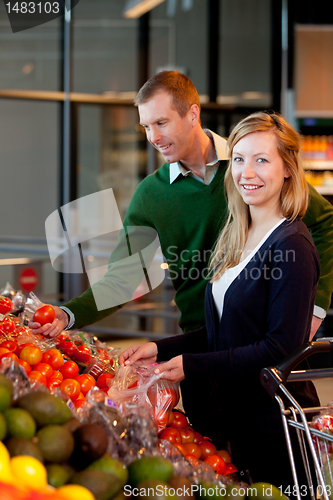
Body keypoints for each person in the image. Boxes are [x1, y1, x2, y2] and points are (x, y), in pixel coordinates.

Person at [30, 71, 333, 432]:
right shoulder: (152, 196)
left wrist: (313, 308)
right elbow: (126, 276)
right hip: (199, 346)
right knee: (217, 461)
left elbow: (324, 221)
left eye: (161, 122)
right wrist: (69, 313)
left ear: (192, 114)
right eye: (145, 126)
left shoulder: (250, 169)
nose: (153, 137)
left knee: (268, 458)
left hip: (259, 346)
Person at [119, 111, 321, 491]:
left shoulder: (291, 244)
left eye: (262, 160)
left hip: (274, 430)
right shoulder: (238, 233)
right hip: (234, 421)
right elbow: (224, 332)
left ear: (289, 168)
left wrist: (190, 366)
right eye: (240, 159)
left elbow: (280, 349)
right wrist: (159, 348)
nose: (247, 172)